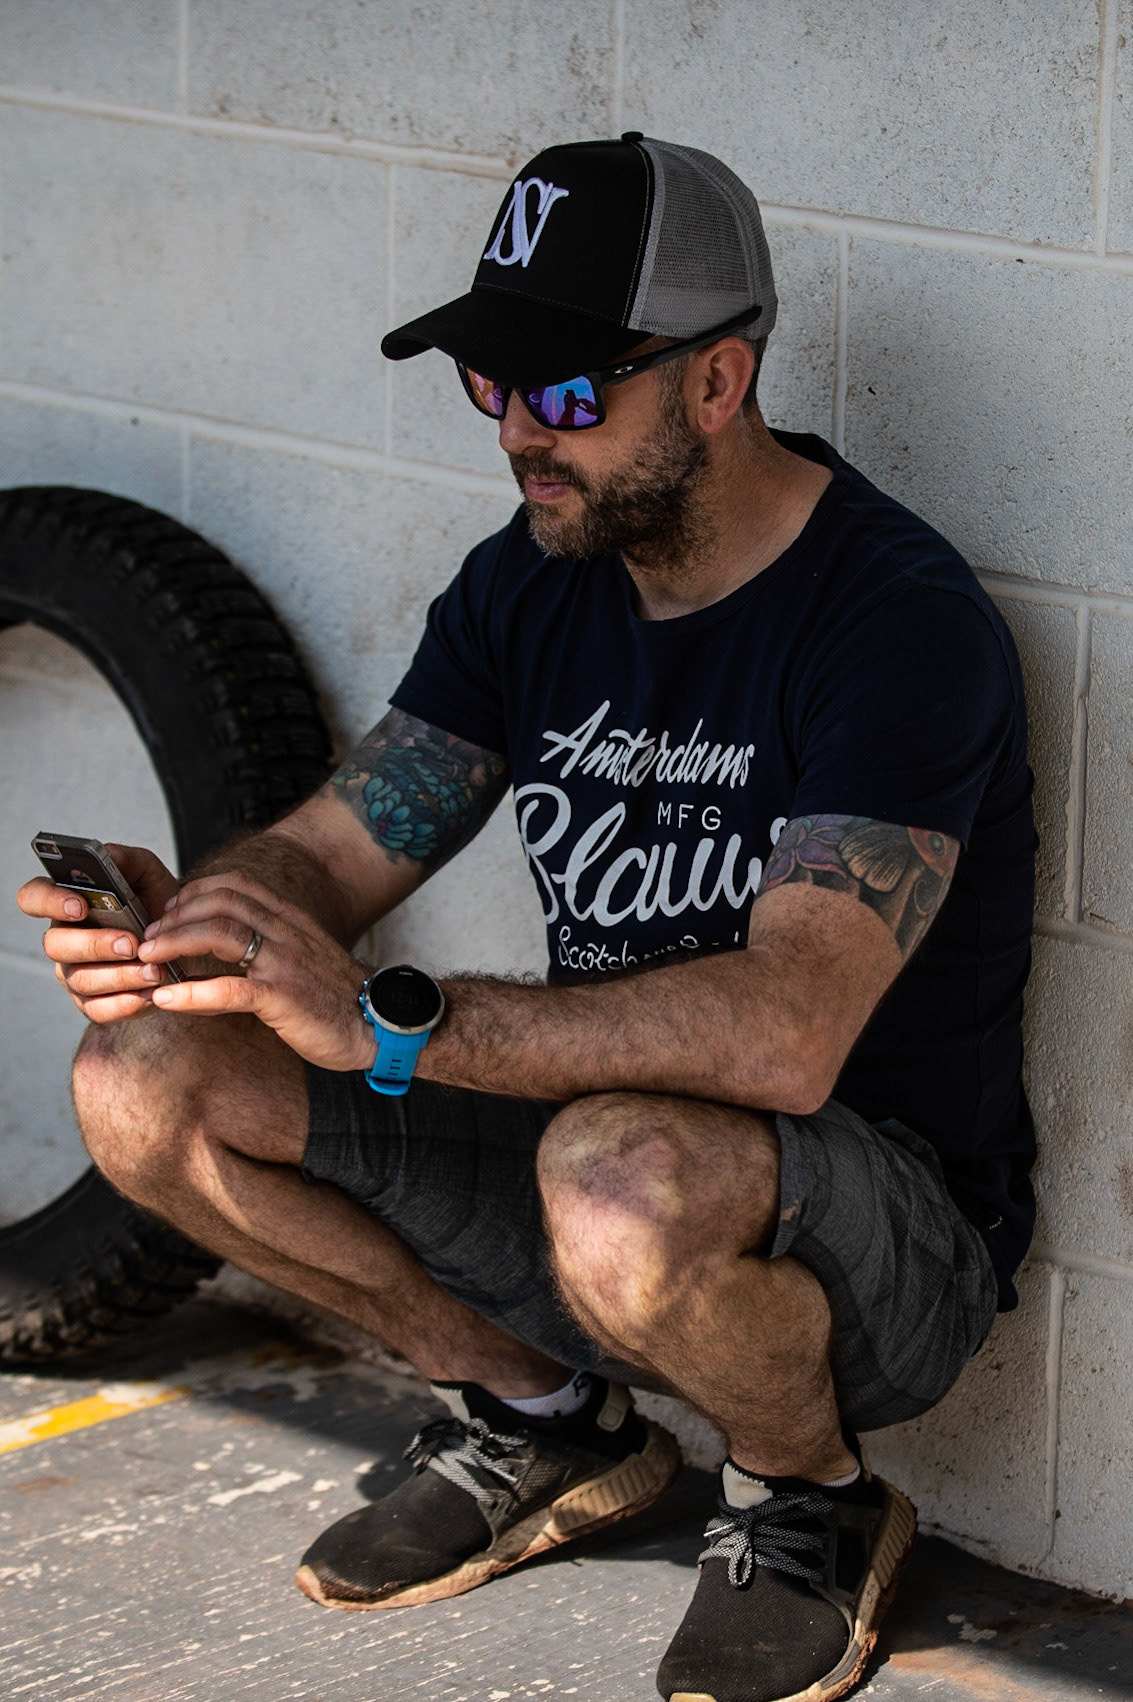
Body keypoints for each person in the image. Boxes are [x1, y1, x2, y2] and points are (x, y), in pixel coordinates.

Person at [18, 134, 1036, 1702]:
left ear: (717, 382)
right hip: (593, 1167)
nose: (518, 437)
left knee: (611, 1163)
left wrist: (382, 1020)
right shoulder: (535, 580)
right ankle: (541, 1420)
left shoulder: (895, 621)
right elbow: (337, 849)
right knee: (141, 1079)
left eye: (568, 396)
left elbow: (785, 1029)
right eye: (490, 385)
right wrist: (212, 921)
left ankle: (806, 1496)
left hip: (865, 1219)